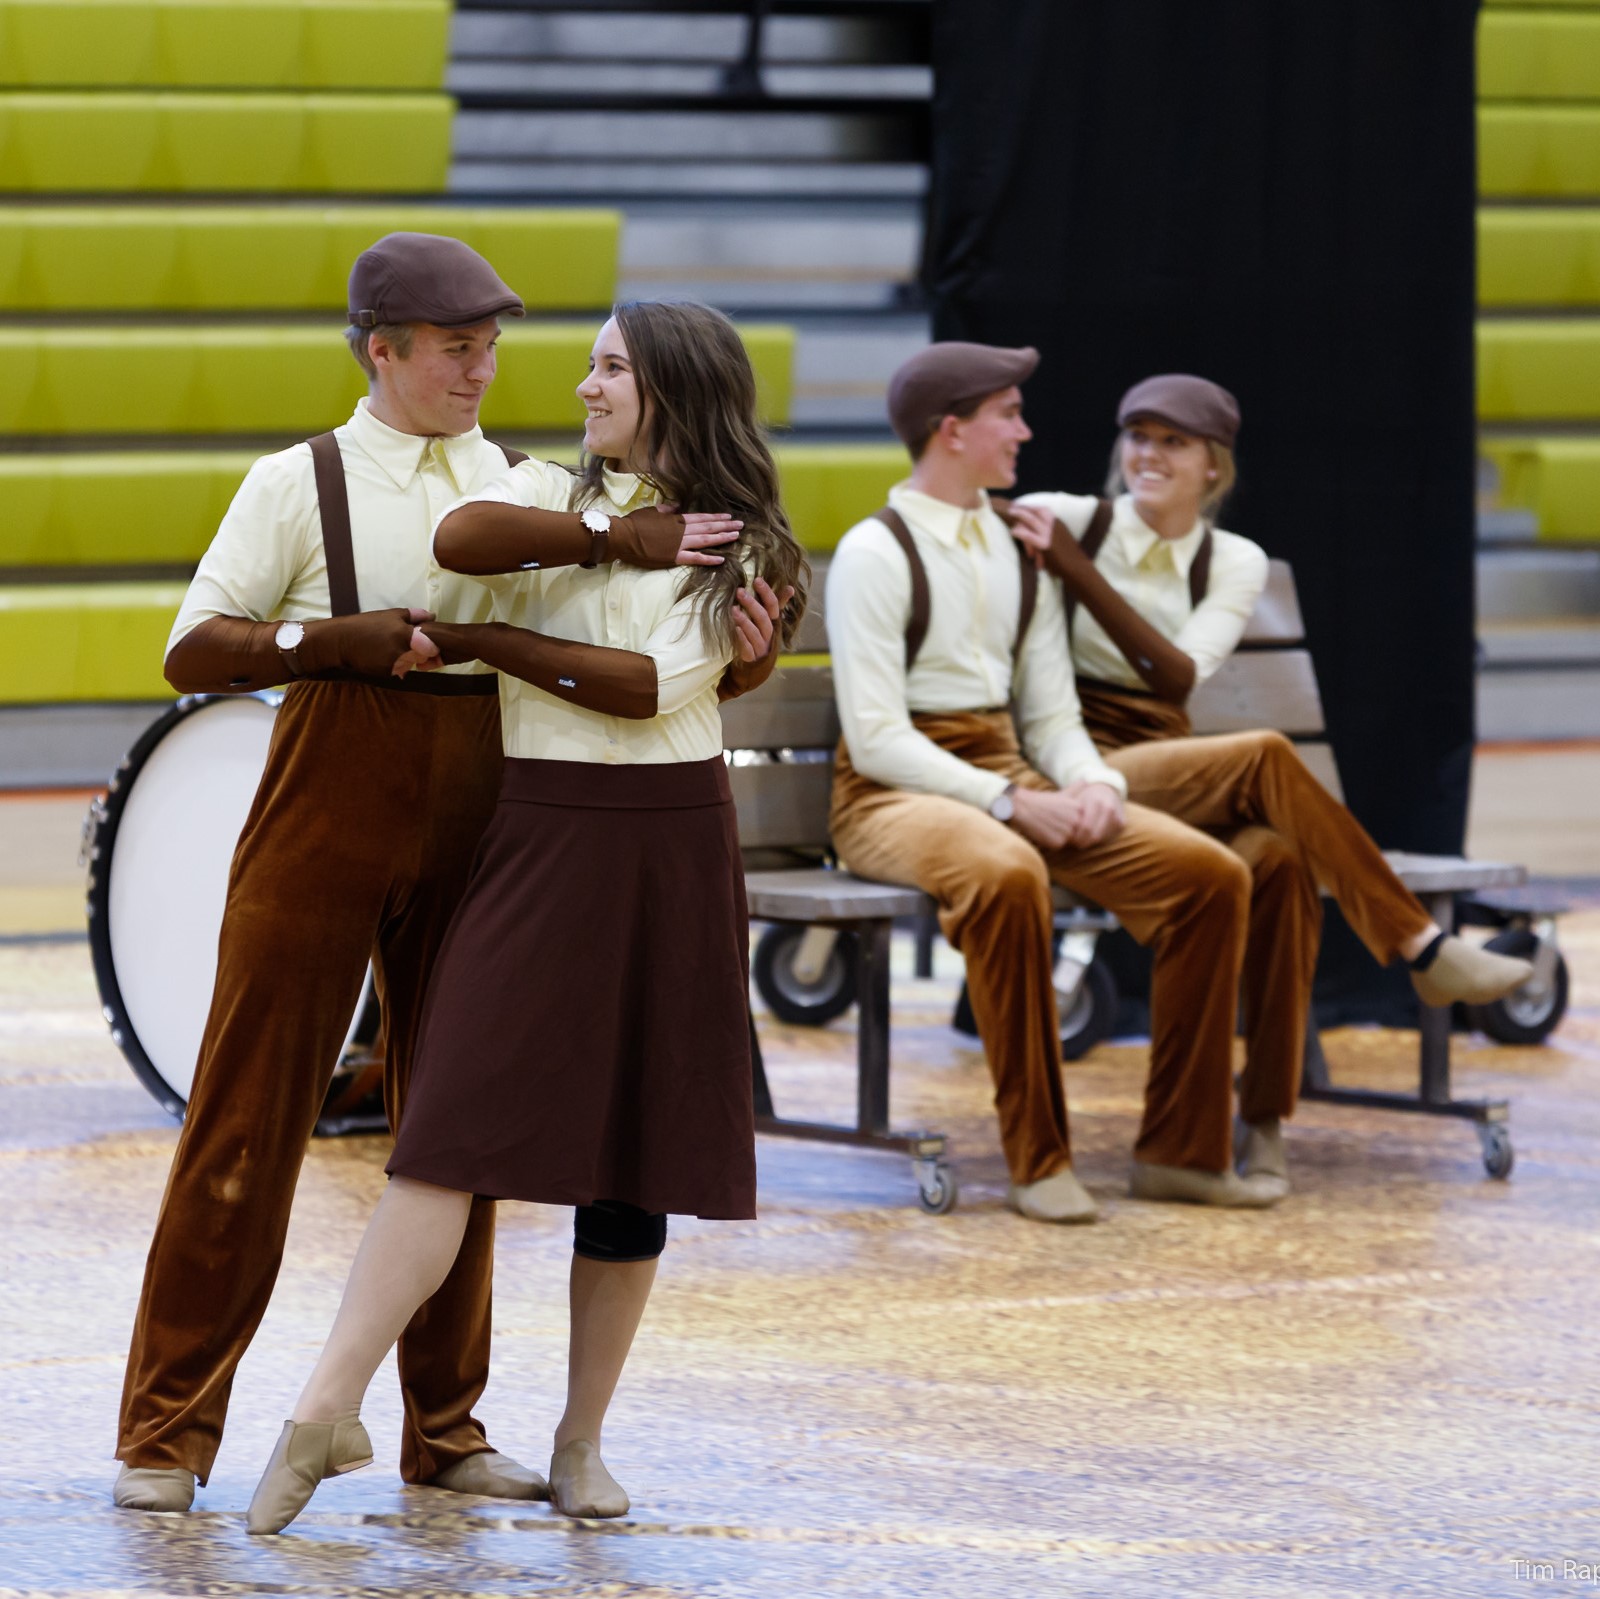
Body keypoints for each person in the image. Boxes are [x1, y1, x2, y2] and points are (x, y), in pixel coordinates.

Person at [113, 240, 786, 1516]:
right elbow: (190, 650)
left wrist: (732, 661)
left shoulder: (532, 480)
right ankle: (166, 1432)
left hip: (492, 795)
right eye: (455, 348)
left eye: (493, 345)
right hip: (332, 781)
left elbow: (630, 648)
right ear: (385, 351)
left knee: (458, 1123)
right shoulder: (295, 480)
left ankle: (445, 1431)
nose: (484, 369)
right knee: (246, 1113)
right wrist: (328, 642)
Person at [1005, 372, 1533, 1188]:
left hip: (1166, 755)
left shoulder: (1232, 559)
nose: (1149, 454)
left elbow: (1176, 676)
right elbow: (979, 530)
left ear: (1213, 465)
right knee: (1263, 755)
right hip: (1075, 764)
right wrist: (1069, 559)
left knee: (1282, 862)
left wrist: (1078, 572)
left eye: (1173, 442)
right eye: (1138, 434)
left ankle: (1262, 1123)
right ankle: (1420, 944)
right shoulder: (1078, 518)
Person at [826, 341, 1289, 1226]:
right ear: (953, 430)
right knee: (1005, 872)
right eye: (1009, 413)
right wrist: (1009, 800)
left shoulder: (1016, 547)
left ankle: (1181, 1154)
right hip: (887, 794)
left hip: (1008, 766)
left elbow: (1046, 711)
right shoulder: (874, 552)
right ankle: (1038, 1159)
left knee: (1212, 878)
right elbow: (878, 737)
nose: (1025, 430)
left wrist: (1091, 782)